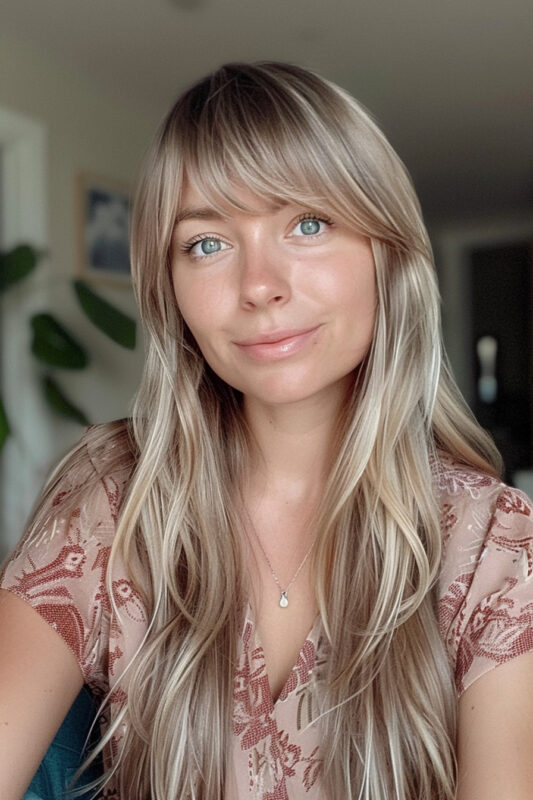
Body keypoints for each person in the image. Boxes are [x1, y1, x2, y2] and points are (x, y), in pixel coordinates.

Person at [1, 61, 533, 800]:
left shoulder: (492, 544)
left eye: (307, 224)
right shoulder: (110, 495)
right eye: (207, 244)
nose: (258, 284)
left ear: (387, 254)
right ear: (170, 289)